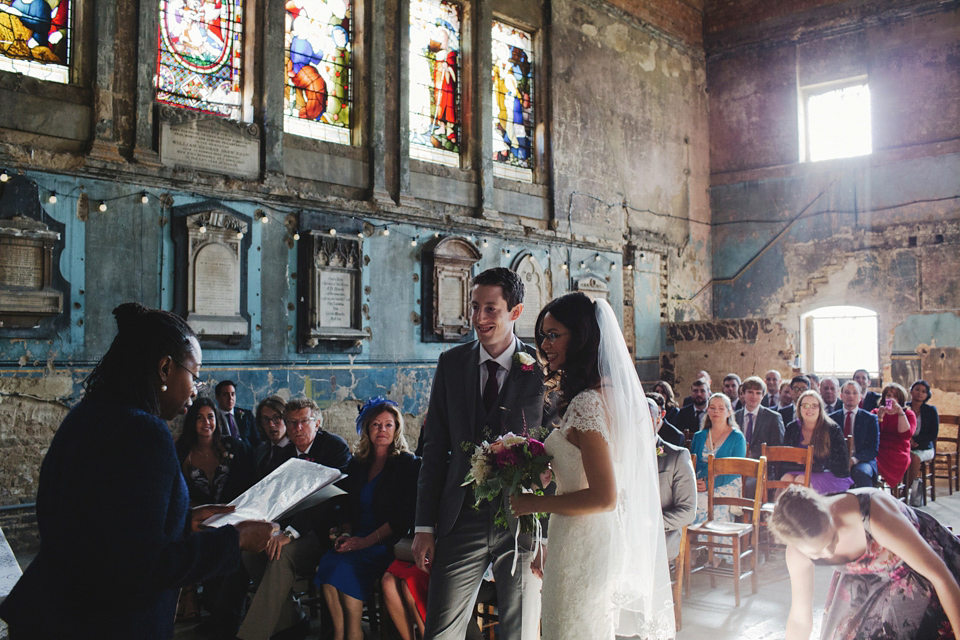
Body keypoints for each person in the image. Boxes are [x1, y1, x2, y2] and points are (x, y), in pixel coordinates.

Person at [0, 303, 274, 640]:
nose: (195, 390)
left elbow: (101, 526)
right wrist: (235, 540)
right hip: (105, 622)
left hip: (53, 612)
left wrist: (183, 521)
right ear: (164, 368)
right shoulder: (144, 433)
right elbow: (139, 567)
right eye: (195, 374)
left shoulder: (87, 416)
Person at [510, 292, 674, 639]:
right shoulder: (613, 395)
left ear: (581, 337)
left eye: (553, 335)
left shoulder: (588, 403)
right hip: (594, 537)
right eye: (542, 335)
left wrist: (533, 503)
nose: (544, 344)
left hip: (581, 541)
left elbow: (603, 496)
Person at [413, 267, 545, 640]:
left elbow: (555, 454)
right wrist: (424, 526)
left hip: (521, 519)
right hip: (459, 519)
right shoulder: (451, 364)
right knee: (440, 632)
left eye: (491, 309)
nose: (480, 318)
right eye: (475, 307)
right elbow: (434, 449)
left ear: (515, 312)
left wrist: (546, 535)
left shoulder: (540, 369)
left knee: (518, 633)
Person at [772, 485, 960, 640]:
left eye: (831, 540)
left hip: (918, 568)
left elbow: (941, 576)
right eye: (817, 553)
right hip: (867, 576)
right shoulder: (797, 554)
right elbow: (799, 618)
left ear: (830, 514)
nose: (828, 553)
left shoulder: (874, 518)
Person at [238, 397, 352, 640]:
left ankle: (251, 635)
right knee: (251, 554)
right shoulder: (284, 455)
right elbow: (277, 501)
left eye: (303, 422)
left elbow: (327, 499)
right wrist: (271, 530)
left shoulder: (334, 448)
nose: (297, 429)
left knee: (281, 556)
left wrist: (289, 533)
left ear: (318, 422)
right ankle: (292, 616)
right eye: (291, 423)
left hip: (327, 532)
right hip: (290, 529)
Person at [315, 398, 420, 640]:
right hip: (358, 537)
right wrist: (346, 533)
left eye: (388, 425)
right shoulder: (358, 463)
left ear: (396, 429)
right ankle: (341, 634)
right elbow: (347, 507)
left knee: (345, 565)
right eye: (375, 424)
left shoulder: (407, 464)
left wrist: (365, 542)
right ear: (366, 429)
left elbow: (403, 517)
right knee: (329, 562)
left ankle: (354, 633)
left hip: (387, 541)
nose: (382, 430)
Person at [176, 396, 258, 638]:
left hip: (234, 519)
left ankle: (228, 619)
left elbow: (249, 482)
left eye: (210, 417)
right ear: (192, 422)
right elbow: (178, 492)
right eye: (200, 418)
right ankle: (217, 615)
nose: (206, 423)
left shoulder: (233, 447)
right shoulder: (182, 452)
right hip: (199, 522)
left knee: (236, 564)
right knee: (211, 580)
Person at [648, 398, 697, 560]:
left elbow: (688, 512)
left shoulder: (676, 456)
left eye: (646, 418)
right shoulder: (621, 454)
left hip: (661, 537)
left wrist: (649, 525)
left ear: (658, 419)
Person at [690, 393, 747, 524]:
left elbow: (736, 470)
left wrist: (710, 483)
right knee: (688, 499)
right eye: (712, 407)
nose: (716, 411)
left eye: (721, 408)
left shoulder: (737, 437)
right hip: (700, 483)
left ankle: (716, 543)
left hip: (727, 482)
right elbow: (692, 466)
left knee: (705, 500)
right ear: (707, 410)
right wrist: (698, 482)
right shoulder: (699, 436)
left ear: (729, 412)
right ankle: (693, 543)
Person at [781, 390, 853, 494]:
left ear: (820, 408)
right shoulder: (792, 428)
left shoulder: (832, 428)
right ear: (799, 408)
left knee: (801, 480)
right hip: (799, 471)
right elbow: (785, 460)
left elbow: (842, 464)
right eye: (805, 405)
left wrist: (812, 461)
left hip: (829, 475)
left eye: (814, 406)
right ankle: (784, 510)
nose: (809, 409)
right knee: (786, 478)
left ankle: (805, 510)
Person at [735, 375, 785, 498]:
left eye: (758, 393)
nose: (754, 396)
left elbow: (778, 448)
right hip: (737, 466)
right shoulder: (735, 416)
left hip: (762, 469)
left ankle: (749, 516)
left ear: (763, 396)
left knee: (748, 486)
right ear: (742, 394)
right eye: (750, 392)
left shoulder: (773, 417)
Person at [829, 380, 879, 488]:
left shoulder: (870, 418)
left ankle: (866, 503)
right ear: (841, 396)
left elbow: (873, 449)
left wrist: (854, 460)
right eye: (847, 392)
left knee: (861, 473)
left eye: (855, 393)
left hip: (862, 460)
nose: (851, 395)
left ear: (860, 397)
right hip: (838, 460)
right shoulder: (832, 418)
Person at [873, 382, 917, 491]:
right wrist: (879, 418)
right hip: (880, 450)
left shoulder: (908, 414)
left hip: (899, 451)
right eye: (888, 396)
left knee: (900, 460)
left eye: (895, 396)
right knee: (870, 461)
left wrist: (900, 413)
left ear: (900, 399)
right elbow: (871, 435)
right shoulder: (876, 412)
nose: (892, 399)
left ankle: (898, 492)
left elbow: (906, 435)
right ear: (884, 398)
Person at [905, 379, 939, 506]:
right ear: (911, 391)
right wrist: (908, 441)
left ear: (927, 395)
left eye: (924, 391)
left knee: (914, 458)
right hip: (905, 445)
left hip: (924, 448)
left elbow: (933, 434)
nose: (920, 393)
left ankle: (905, 490)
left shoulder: (931, 410)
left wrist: (916, 441)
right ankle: (895, 488)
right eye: (917, 389)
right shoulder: (904, 407)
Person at [253, 394, 294, 479]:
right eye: (265, 419)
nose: (271, 424)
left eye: (276, 418)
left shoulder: (297, 449)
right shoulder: (260, 452)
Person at [215, 379, 261, 446]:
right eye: (225, 394)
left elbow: (257, 440)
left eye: (233, 394)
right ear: (217, 397)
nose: (230, 398)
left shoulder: (247, 415)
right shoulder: (213, 417)